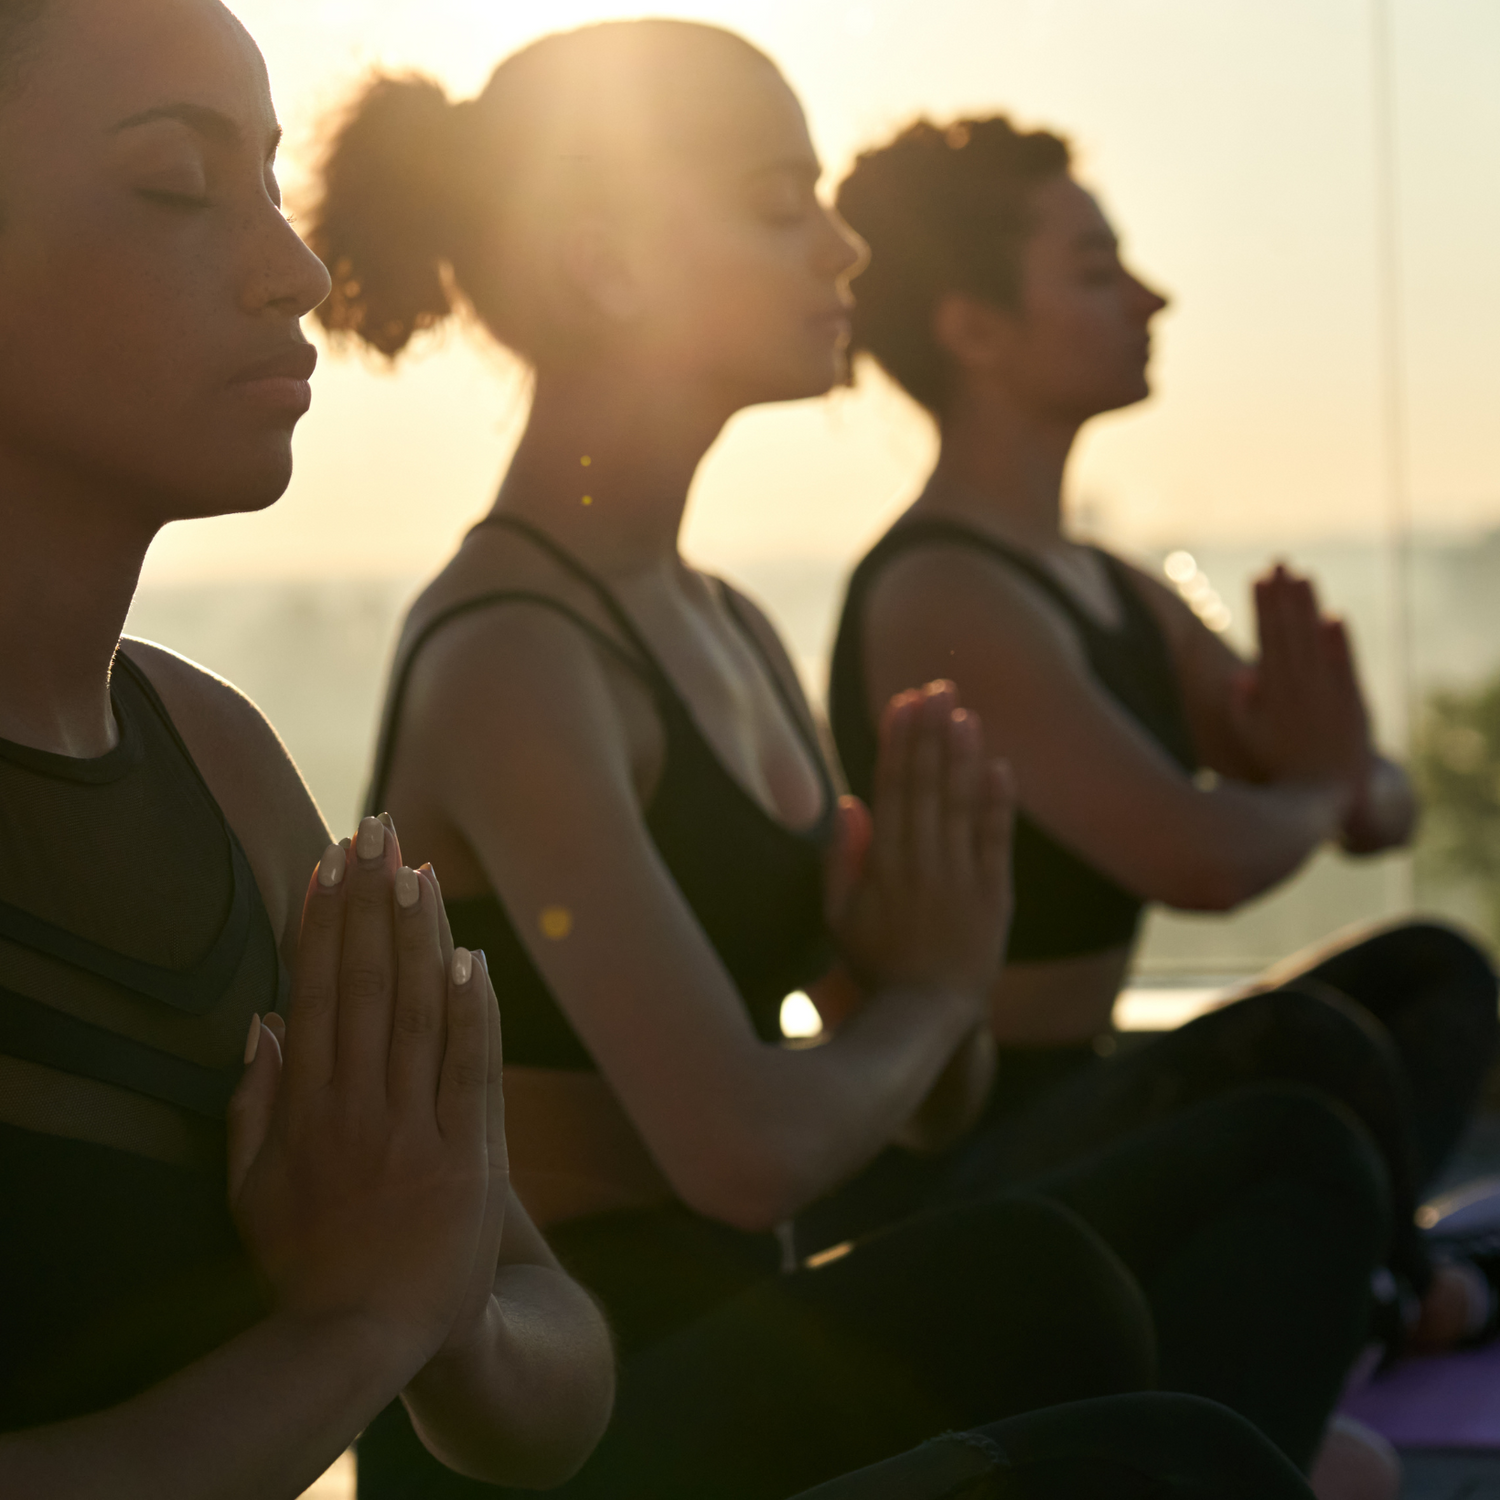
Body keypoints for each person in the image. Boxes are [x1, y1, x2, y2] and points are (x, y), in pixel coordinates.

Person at [314, 22, 1391, 1496]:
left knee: (1291, 1145)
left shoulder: (728, 627)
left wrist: (923, 978)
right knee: (1046, 1291)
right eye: (780, 204)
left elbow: (915, 1101)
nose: (842, 253)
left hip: (740, 1318)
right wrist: (942, 991)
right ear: (603, 261)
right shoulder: (516, 657)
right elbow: (741, 1153)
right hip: (559, 1420)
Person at [0, 1, 616, 1494]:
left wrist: (431, 1285)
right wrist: (361, 1322)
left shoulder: (216, 753)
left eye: (272, 186)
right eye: (173, 186)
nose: (293, 270)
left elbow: (551, 1360)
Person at [824, 114, 1499, 1354]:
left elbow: (1367, 808)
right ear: (972, 328)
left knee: (1434, 971)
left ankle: (1379, 1293)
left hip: (1089, 1090)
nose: (1154, 295)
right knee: (1305, 1043)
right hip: (969, 1150)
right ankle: (1398, 1298)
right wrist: (1318, 785)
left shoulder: (1109, 585)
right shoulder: (944, 593)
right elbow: (1200, 856)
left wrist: (1325, 777)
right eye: (1096, 270)